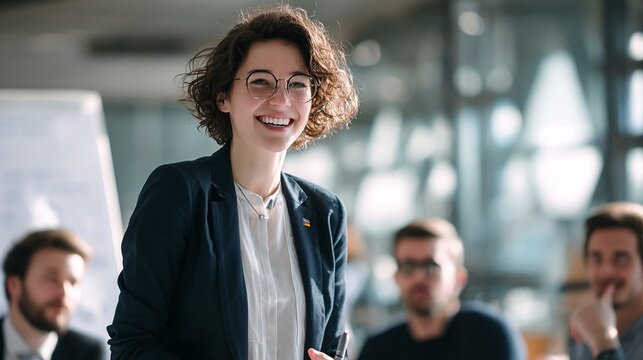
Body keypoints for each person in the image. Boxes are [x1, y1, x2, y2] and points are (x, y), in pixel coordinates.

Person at [107, 4, 358, 360]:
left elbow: (332, 346)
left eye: (298, 84)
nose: (281, 100)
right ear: (223, 97)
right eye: (260, 81)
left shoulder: (325, 211)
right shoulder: (179, 192)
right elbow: (133, 343)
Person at [358, 218, 526, 360]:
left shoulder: (490, 333)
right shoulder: (377, 349)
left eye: (431, 267)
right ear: (397, 277)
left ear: (458, 278)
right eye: (408, 266)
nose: (419, 277)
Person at [1, 228, 105, 359]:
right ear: (14, 286)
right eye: (52, 279)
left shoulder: (90, 354)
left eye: (73, 282)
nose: (65, 293)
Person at [569, 202, 643, 360]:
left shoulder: (598, 334)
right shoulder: (586, 330)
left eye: (621, 259)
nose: (606, 271)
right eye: (597, 258)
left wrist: (604, 343)